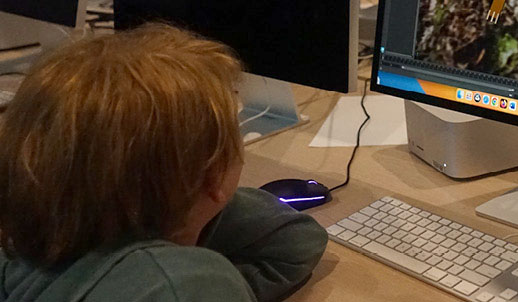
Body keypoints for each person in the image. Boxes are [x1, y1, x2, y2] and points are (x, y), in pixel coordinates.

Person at [0, 24, 327, 302]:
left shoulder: (28, 249)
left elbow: (295, 241)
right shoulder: (183, 286)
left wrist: (178, 206)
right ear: (212, 175)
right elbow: (294, 242)